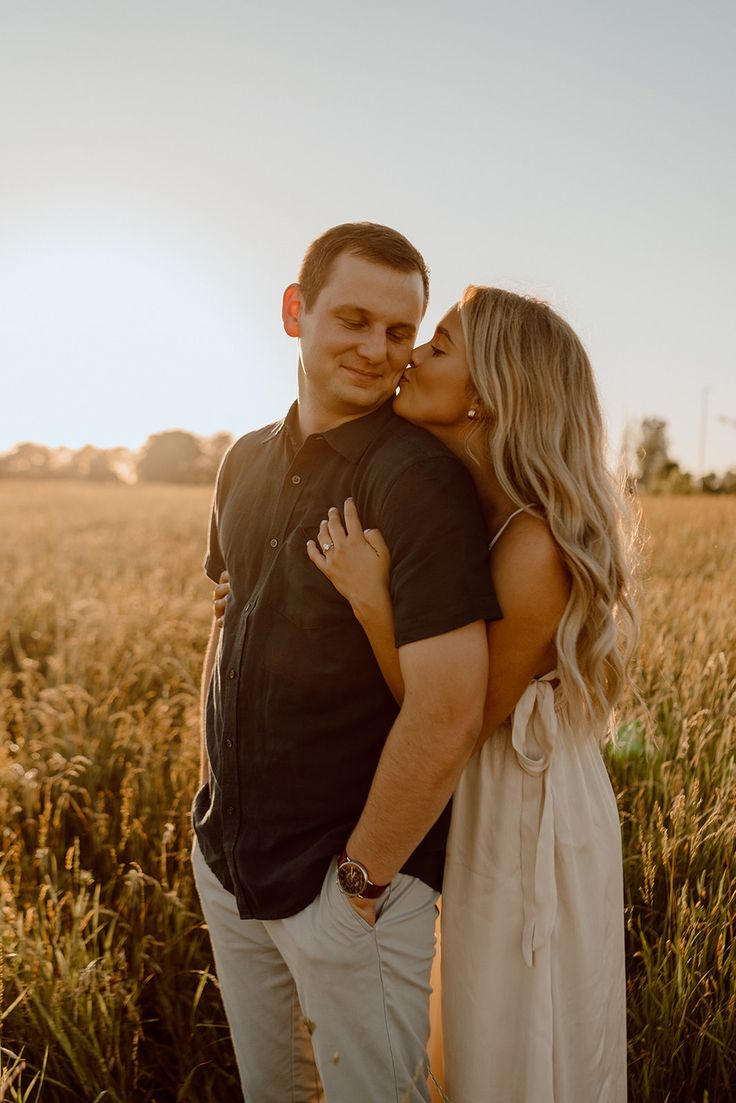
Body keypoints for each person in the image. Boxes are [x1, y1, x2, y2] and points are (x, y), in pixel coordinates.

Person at [220, 286, 635, 1102]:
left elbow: (460, 717)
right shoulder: (468, 504)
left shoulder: (533, 544)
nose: (408, 357)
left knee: (506, 1035)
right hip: (464, 792)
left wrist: (373, 600)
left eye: (436, 346)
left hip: (520, 807)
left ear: (489, 390)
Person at [192, 223, 501, 1102]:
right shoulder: (243, 460)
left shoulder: (417, 480)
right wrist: (209, 810)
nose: (378, 350)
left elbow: (449, 708)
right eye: (354, 320)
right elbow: (229, 625)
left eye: (400, 332)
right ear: (297, 311)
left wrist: (357, 889)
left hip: (349, 883)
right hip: (230, 860)